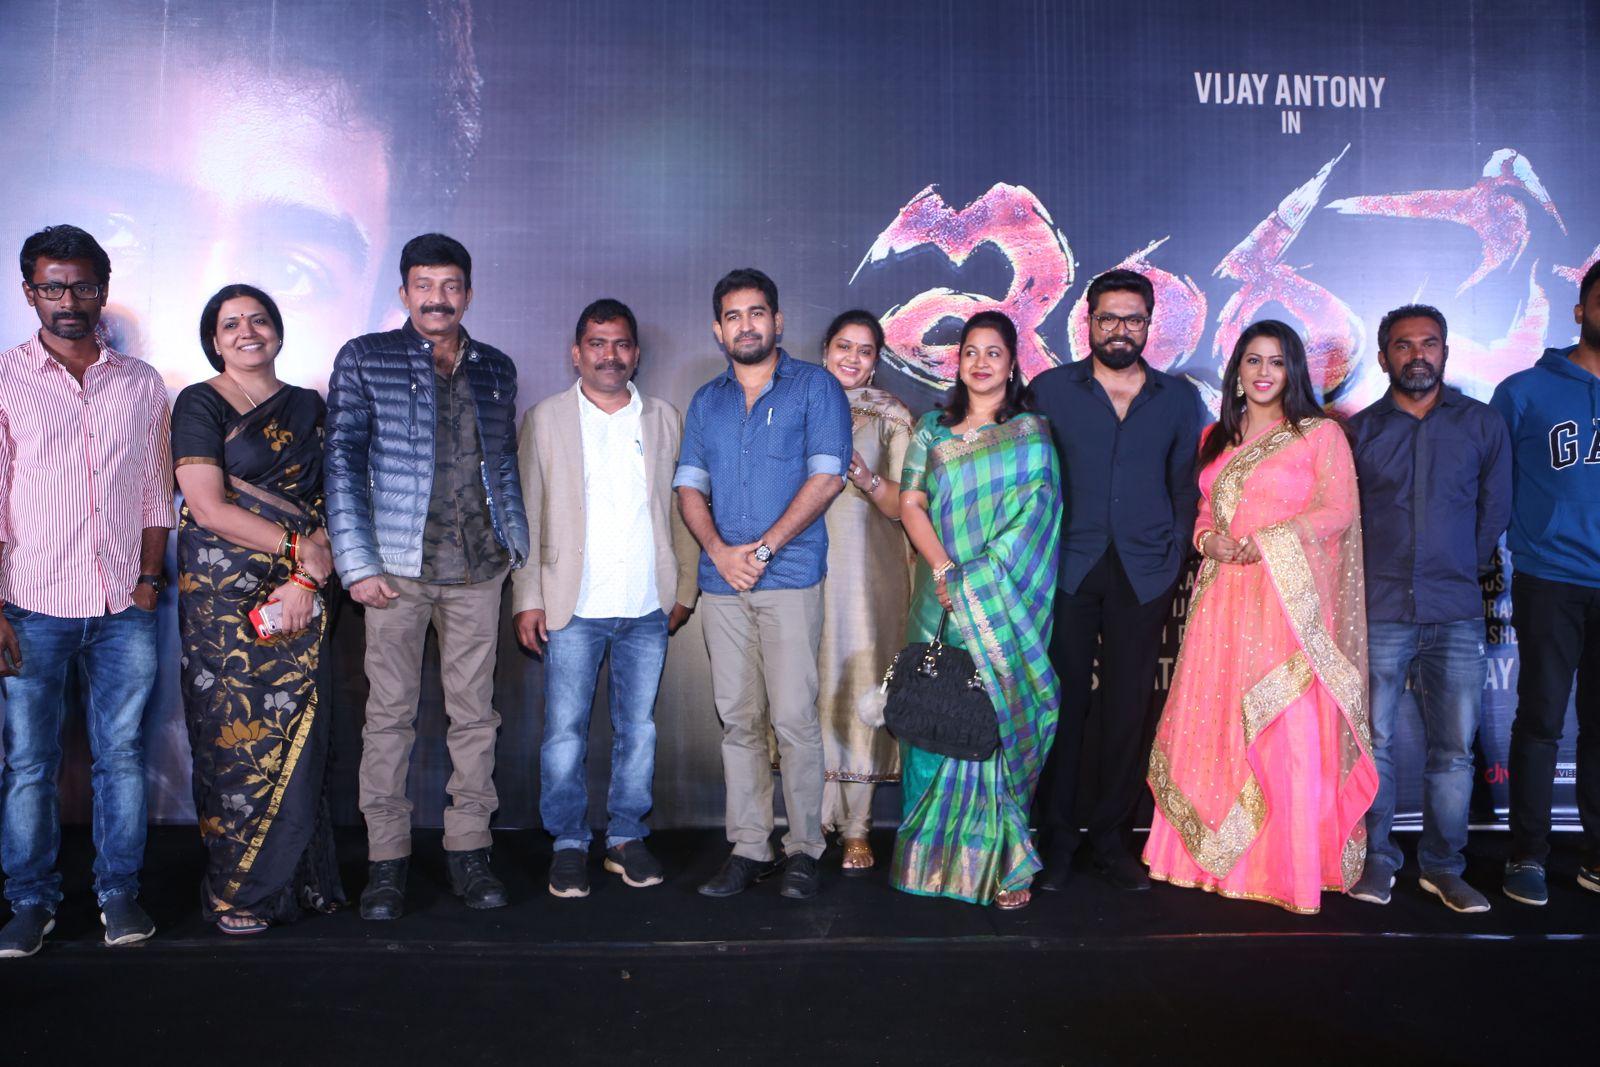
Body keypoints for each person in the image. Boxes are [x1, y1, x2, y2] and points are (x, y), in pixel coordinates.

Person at [326, 233, 529, 920]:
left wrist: (515, 545)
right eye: (424, 285)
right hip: (395, 572)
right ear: (404, 292)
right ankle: (386, 862)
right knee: (388, 718)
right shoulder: (366, 357)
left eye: (450, 286)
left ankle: (470, 850)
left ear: (467, 293)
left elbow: (503, 464)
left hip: (478, 568)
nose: (437, 298)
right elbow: (342, 463)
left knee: (476, 717)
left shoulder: (496, 368)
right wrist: (357, 565)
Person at [1143, 319, 1377, 914]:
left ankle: (1283, 869)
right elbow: (1205, 512)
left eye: (1276, 361)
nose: (1264, 372)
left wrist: (1269, 540)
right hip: (1223, 600)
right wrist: (1207, 541)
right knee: (1214, 723)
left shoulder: (1319, 434)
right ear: (1238, 371)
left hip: (1286, 605)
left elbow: (1338, 511)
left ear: (1292, 370)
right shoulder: (1216, 437)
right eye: (1253, 360)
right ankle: (1207, 861)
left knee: (1282, 727)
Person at [0, 225, 174, 957]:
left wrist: (147, 582)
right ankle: (29, 901)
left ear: (103, 290)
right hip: (30, 602)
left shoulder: (141, 383)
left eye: (82, 287)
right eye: (52, 287)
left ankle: (119, 892)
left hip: (123, 607)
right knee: (29, 763)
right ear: (29, 291)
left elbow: (156, 492)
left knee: (121, 755)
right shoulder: (5, 379)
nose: (68, 301)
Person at [172, 284, 347, 934]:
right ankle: (237, 891)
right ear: (214, 340)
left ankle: (298, 882)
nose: (248, 332)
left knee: (301, 734)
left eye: (259, 320)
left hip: (302, 590)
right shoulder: (199, 402)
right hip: (224, 600)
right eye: (231, 324)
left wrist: (306, 574)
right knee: (232, 737)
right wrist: (300, 548)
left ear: (277, 330)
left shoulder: (308, 406)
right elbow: (208, 505)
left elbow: (334, 497)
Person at [674, 268, 852, 900]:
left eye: (756, 313)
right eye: (733, 316)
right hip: (723, 584)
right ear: (717, 329)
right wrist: (720, 553)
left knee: (795, 720)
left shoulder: (816, 388)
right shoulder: (707, 401)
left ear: (778, 321)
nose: (745, 325)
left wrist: (765, 549)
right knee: (739, 721)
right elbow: (688, 486)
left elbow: (828, 477)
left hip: (790, 577)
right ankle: (750, 846)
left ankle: (804, 848)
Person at [513, 299, 699, 898]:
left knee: (638, 730)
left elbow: (685, 508)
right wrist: (528, 596)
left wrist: (685, 588)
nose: (609, 355)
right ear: (577, 353)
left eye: (620, 344)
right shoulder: (545, 419)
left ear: (636, 354)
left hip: (647, 604)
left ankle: (625, 836)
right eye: (597, 343)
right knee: (564, 733)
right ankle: (568, 843)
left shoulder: (665, 418)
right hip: (570, 607)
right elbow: (527, 513)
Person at [1027, 269, 1202, 891]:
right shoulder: (1050, 391)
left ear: (1149, 324)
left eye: (1133, 319)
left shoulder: (1177, 398)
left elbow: (1185, 486)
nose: (1120, 330)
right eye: (1108, 318)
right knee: (1064, 705)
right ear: (1089, 322)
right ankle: (1057, 839)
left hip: (1145, 572)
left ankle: (1111, 839)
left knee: (1129, 708)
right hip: (1068, 566)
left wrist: (1174, 555)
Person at [893, 311, 1062, 909]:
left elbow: (1037, 514)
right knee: (933, 703)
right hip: (937, 595)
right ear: (957, 361)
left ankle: (1003, 861)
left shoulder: (1031, 433)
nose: (981, 362)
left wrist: (977, 581)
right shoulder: (931, 430)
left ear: (1013, 364)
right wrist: (946, 573)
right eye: (971, 351)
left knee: (994, 713)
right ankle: (925, 858)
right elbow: (910, 504)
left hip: (1003, 597)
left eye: (994, 352)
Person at [1347, 305, 1511, 913]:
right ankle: (1376, 859)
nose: (1418, 354)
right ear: (1383, 356)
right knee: (1374, 743)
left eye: (1429, 343)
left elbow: (1494, 511)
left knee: (1453, 751)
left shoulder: (1482, 424)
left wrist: (1456, 566)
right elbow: (1344, 521)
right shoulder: (1358, 432)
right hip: (1380, 609)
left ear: (1445, 351)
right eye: (1403, 344)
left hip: (1455, 608)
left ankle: (1442, 867)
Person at [1491, 260, 1600, 906]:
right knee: (1540, 719)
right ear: (1580, 311)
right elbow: (1491, 482)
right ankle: (1527, 854)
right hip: (1550, 578)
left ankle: (1596, 856)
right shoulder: (1525, 391)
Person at [816, 310, 913, 873]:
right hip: (802, 570)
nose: (852, 358)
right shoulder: (797, 403)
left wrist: (866, 477)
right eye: (843, 346)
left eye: (865, 350)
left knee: (861, 684)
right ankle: (811, 819)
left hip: (868, 573)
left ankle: (857, 826)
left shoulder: (891, 414)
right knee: (809, 686)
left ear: (877, 360)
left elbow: (906, 505)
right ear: (824, 350)